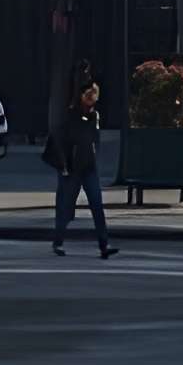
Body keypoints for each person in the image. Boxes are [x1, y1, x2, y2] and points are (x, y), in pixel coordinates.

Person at [49, 67, 115, 257]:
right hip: (72, 167)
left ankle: (104, 245)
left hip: (88, 166)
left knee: (97, 205)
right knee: (66, 206)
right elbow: (61, 140)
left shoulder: (94, 116)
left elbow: (94, 139)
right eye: (88, 97)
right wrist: (63, 164)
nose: (91, 101)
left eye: (94, 97)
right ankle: (58, 241)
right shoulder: (72, 115)